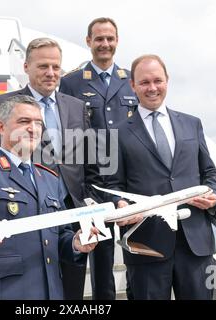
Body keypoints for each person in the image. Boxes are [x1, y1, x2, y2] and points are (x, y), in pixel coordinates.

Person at [0, 38, 101, 300]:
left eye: (56, 67)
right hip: (27, 213)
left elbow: (88, 163)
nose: (50, 73)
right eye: (43, 66)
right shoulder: (4, 103)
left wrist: (88, 204)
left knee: (72, 292)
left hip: (73, 213)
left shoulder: (76, 106)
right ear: (26, 66)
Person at [0, 95, 98, 300]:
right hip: (2, 292)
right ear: (0, 127)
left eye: (38, 123)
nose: (33, 128)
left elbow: (59, 236)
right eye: (24, 121)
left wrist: (76, 243)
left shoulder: (49, 179)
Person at [105, 54, 216, 300]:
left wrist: (213, 194)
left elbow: (210, 173)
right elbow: (111, 185)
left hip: (195, 243)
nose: (152, 88)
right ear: (133, 86)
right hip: (146, 244)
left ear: (167, 81)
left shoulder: (192, 124)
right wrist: (121, 206)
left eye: (158, 80)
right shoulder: (115, 133)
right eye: (144, 82)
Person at [59, 17, 137, 300]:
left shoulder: (131, 80)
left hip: (130, 185)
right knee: (101, 262)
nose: (105, 44)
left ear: (117, 41)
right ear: (88, 41)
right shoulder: (70, 83)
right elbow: (69, 138)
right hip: (93, 186)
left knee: (136, 259)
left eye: (110, 39)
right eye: (99, 39)